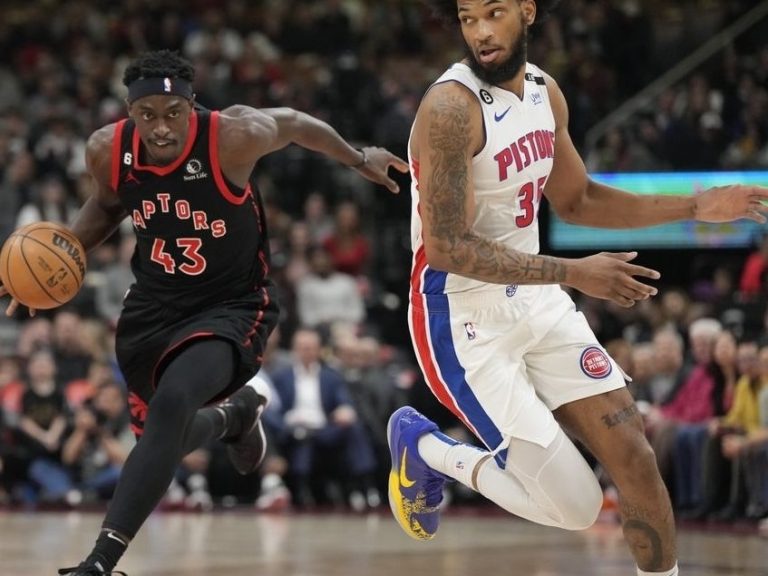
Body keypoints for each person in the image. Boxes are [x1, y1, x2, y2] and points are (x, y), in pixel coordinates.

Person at [386, 3, 768, 576]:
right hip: (460, 318)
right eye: (468, 18)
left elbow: (580, 199)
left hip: (535, 297)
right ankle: (428, 448)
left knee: (635, 456)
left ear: (527, 11)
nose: (482, 32)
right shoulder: (449, 109)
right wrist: (573, 272)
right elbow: (448, 247)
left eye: (495, 12)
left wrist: (696, 207)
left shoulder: (544, 91)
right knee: (576, 506)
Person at [0, 49, 407, 576]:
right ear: (129, 111)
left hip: (232, 304)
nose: (161, 127)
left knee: (172, 404)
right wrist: (54, 263)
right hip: (153, 307)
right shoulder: (108, 149)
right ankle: (232, 417)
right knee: (160, 437)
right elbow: (105, 207)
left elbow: (297, 124)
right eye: (147, 115)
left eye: (174, 112)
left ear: (192, 105)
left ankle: (100, 562)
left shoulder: (233, 136)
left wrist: (357, 157)